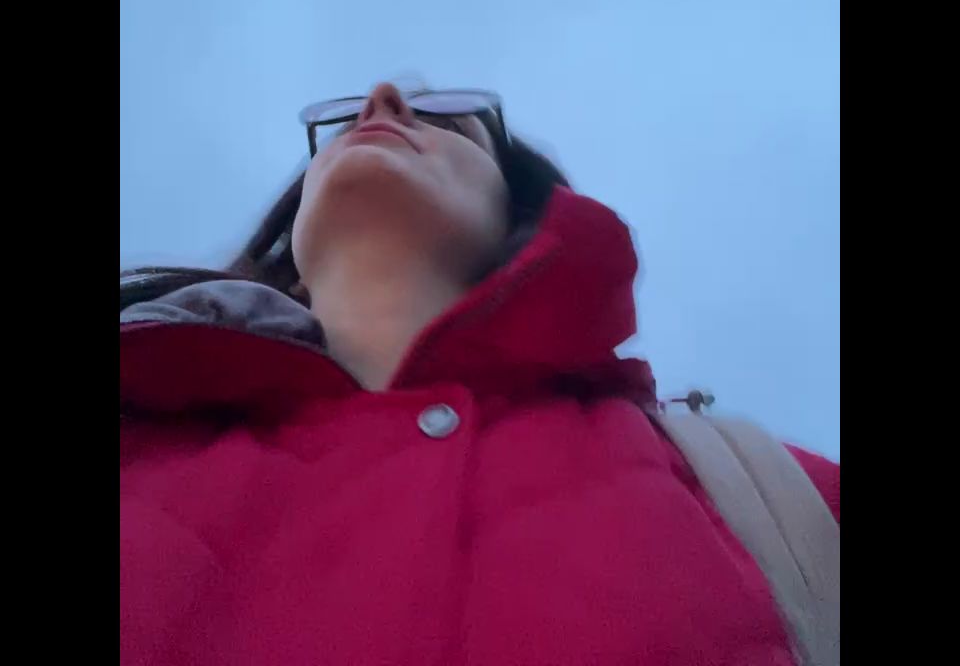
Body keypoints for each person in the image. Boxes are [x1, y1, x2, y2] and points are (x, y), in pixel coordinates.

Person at [120, 82, 839, 666]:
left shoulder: (770, 497)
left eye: (451, 124)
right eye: (343, 126)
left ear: (515, 218)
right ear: (292, 252)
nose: (381, 99)